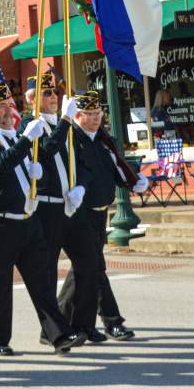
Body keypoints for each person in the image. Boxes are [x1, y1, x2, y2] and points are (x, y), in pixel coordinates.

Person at [0, 83, 86, 356]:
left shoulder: (16, 138)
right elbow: (2, 163)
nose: (8, 111)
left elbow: (42, 155)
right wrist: (25, 142)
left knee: (41, 281)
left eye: (9, 105)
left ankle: (58, 335)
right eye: (1, 106)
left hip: (27, 220)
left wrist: (36, 172)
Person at [57, 91, 148, 341]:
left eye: (98, 114)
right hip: (79, 213)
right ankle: (111, 321)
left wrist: (133, 181)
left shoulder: (104, 140)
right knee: (95, 267)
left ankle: (57, 321)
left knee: (85, 270)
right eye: (90, 114)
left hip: (100, 213)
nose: (96, 118)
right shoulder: (72, 138)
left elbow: (115, 168)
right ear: (78, 115)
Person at [20, 74, 98, 344]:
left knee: (90, 263)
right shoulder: (31, 126)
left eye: (54, 93)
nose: (53, 97)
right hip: (47, 209)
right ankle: (51, 330)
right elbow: (45, 153)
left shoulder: (69, 128)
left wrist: (82, 188)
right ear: (31, 100)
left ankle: (84, 324)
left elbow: (86, 165)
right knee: (47, 271)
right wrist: (65, 121)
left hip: (73, 206)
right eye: (46, 93)